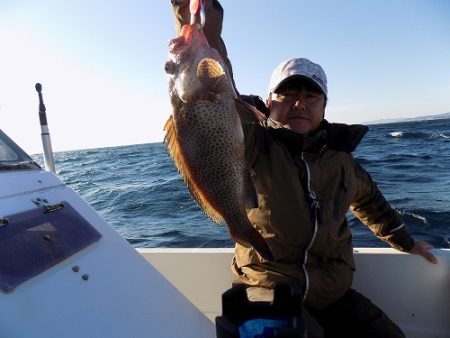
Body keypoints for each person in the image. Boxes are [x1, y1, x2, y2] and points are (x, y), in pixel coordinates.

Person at [170, 1, 438, 337]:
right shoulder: (254, 140)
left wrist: (406, 242)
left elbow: (371, 203)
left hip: (332, 294)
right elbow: (207, 70)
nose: (300, 103)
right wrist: (193, 20)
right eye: (287, 93)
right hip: (268, 288)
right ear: (268, 102)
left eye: (312, 96)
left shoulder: (340, 160)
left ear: (324, 106)